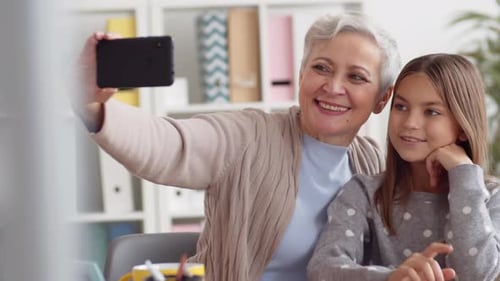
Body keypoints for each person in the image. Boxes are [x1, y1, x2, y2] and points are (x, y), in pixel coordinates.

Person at [74, 12, 401, 281]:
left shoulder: (372, 161)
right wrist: (92, 106)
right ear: (302, 74)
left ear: (381, 99)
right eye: (321, 68)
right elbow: (168, 145)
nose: (333, 86)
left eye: (356, 77)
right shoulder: (249, 136)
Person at [307, 53, 500, 281]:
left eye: (432, 112)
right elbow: (323, 268)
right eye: (401, 106)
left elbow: (479, 275)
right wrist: (392, 278)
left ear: (462, 126)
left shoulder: (490, 197)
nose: (410, 123)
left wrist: (464, 174)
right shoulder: (365, 193)